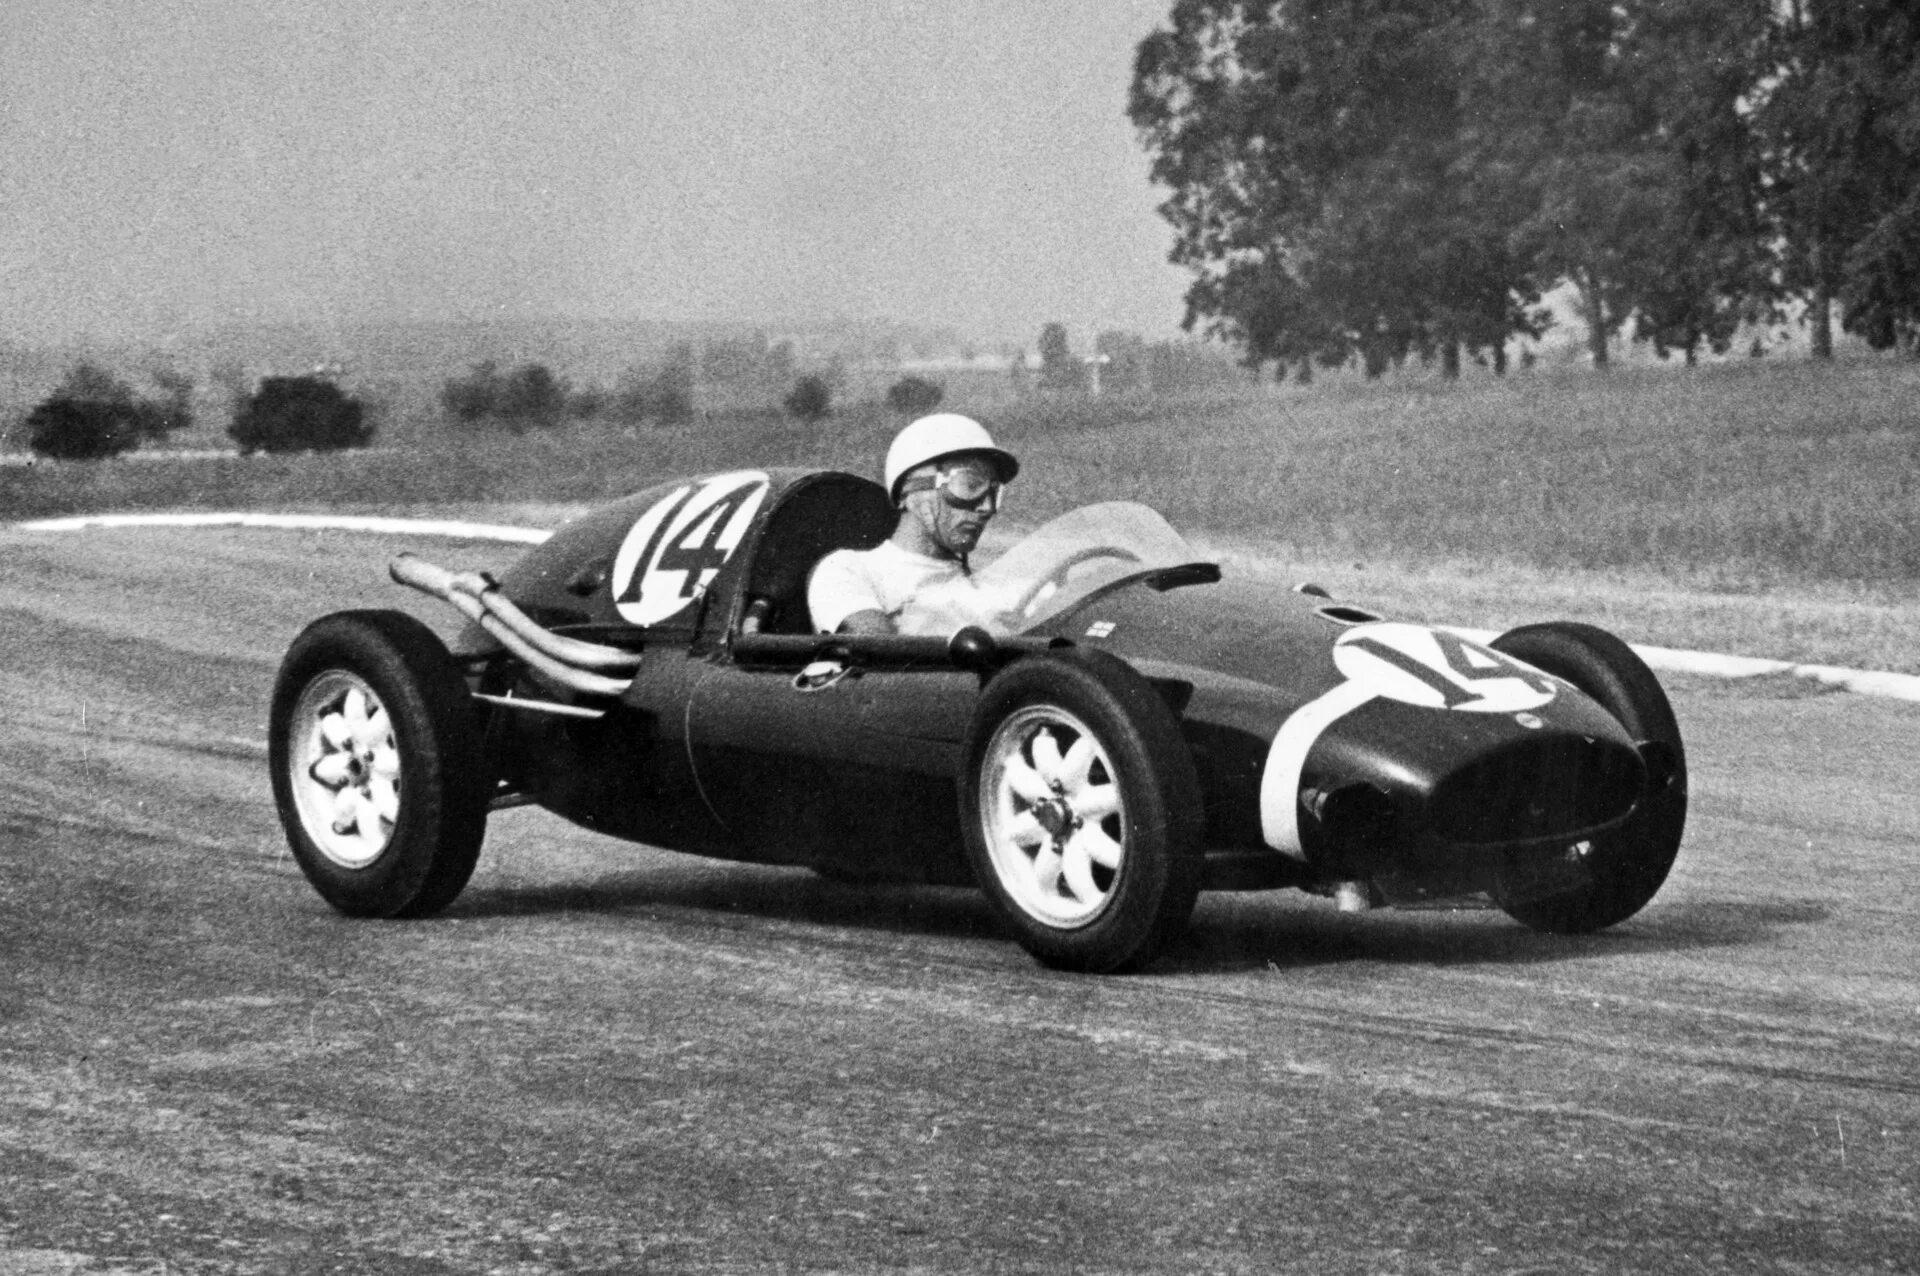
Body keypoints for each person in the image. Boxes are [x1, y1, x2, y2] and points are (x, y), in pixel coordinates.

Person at [807, 413, 1020, 636]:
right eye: (970, 485)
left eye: (995, 493)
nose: (987, 508)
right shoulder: (850, 569)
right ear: (906, 492)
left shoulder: (995, 589)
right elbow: (877, 646)